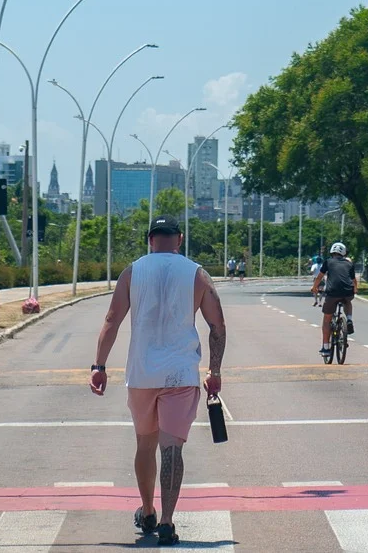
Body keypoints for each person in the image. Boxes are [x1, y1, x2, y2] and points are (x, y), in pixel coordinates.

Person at [89, 215, 227, 547]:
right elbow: (217, 327)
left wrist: (99, 365)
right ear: (179, 239)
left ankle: (148, 511)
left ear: (150, 239)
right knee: (171, 449)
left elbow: (112, 319)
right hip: (181, 374)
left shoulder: (132, 272)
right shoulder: (198, 274)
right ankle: (166, 521)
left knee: (145, 445)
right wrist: (215, 371)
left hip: (141, 375)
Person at [311, 242, 357, 357]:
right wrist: (355, 290)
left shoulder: (328, 262)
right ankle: (349, 319)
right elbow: (353, 280)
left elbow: (320, 276)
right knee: (348, 301)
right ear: (344, 253)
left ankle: (326, 348)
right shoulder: (349, 264)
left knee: (327, 319)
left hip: (332, 293)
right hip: (347, 291)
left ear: (332, 252)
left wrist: (314, 287)